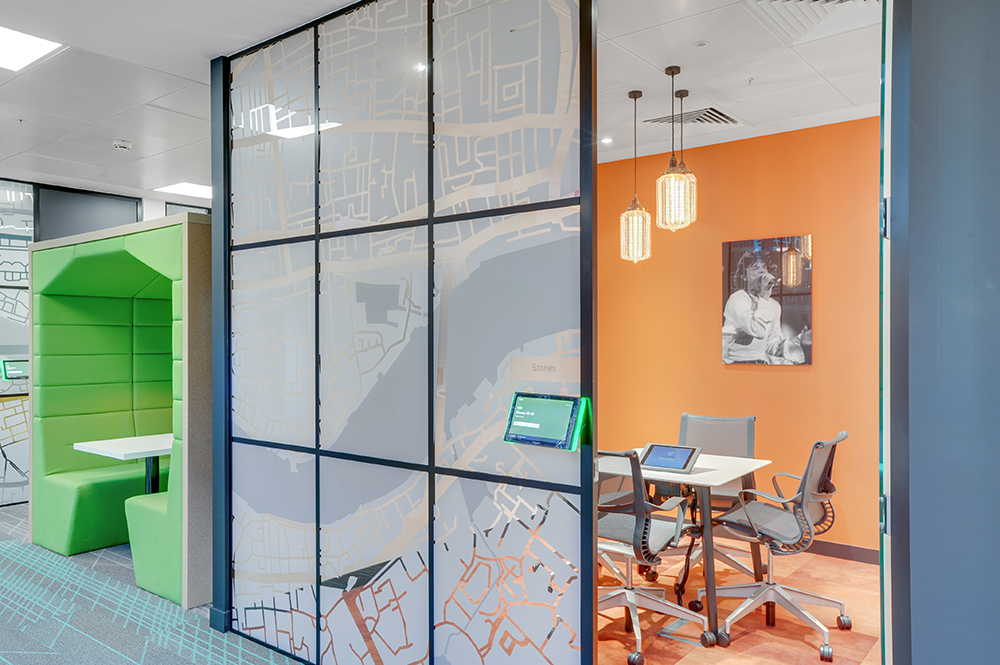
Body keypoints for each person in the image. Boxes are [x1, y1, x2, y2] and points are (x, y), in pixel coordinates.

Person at [722, 252, 809, 364]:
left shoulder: (773, 305)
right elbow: (757, 331)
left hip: (761, 363)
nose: (762, 271)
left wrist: (799, 339)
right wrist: (764, 297)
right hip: (735, 364)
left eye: (764, 267)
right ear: (744, 276)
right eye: (755, 268)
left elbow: (771, 345)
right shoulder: (737, 299)